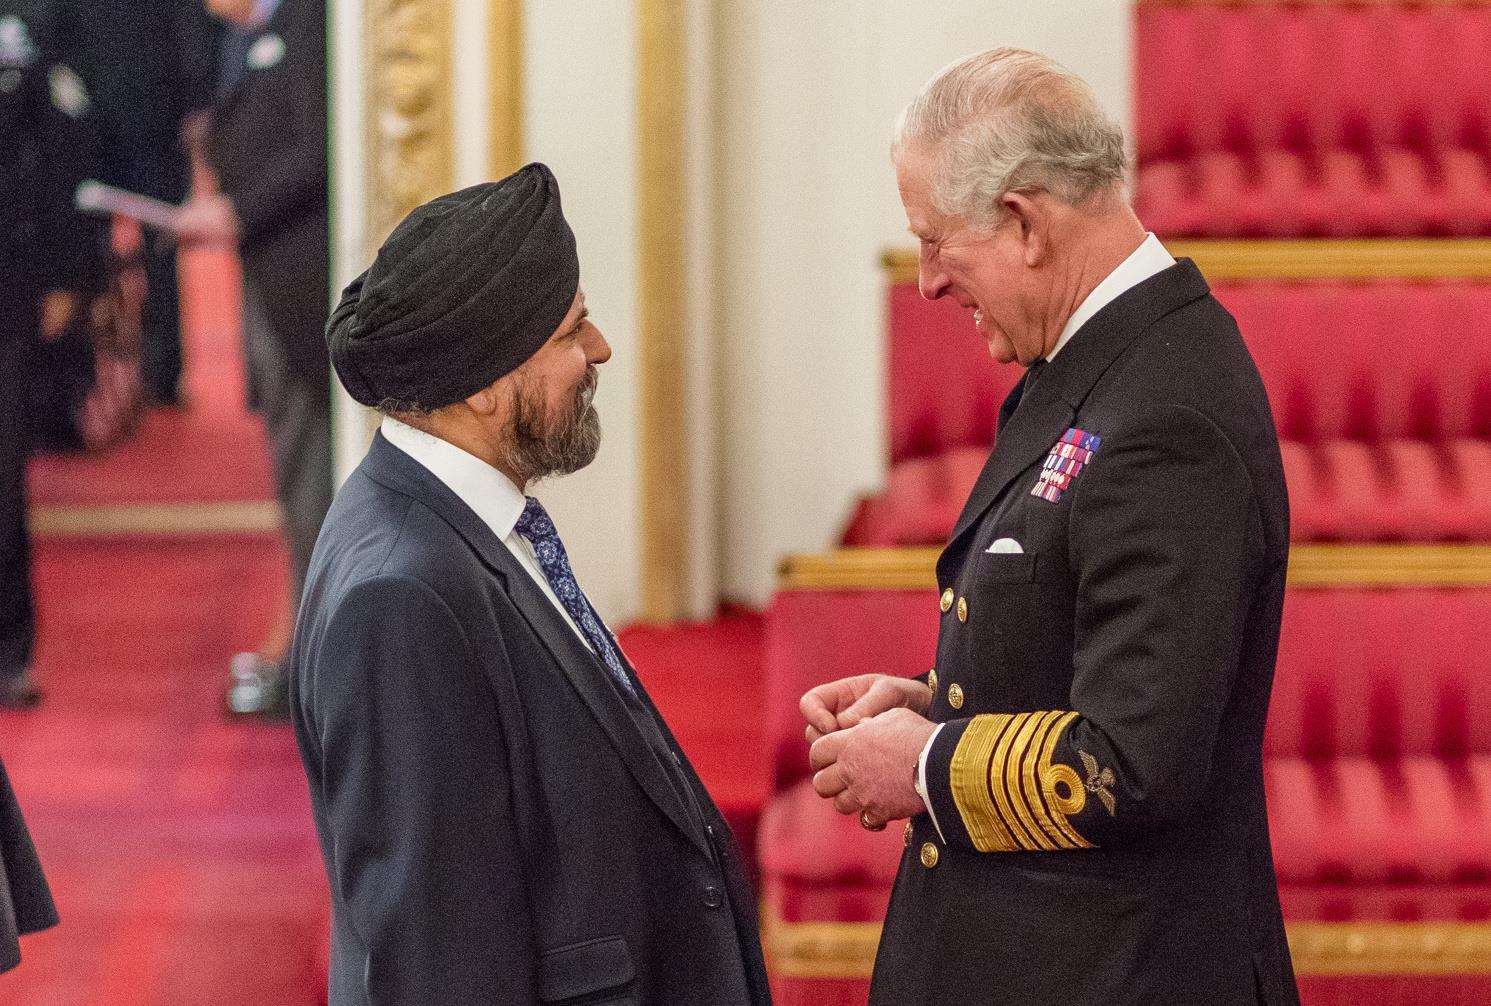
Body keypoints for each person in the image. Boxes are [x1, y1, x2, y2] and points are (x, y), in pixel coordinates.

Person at [801, 49, 1298, 1004]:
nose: (928, 284)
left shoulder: (1164, 414)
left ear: (1024, 222)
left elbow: (1135, 762)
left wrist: (926, 761)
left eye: (938, 242)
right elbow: (1086, 640)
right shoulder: (1099, 367)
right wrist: (930, 697)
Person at [291, 164, 771, 1004]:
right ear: (481, 385)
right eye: (570, 331)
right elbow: (439, 962)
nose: (600, 350)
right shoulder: (400, 598)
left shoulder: (457, 524)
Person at [177, 0, 331, 720]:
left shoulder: (308, 23)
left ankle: (314, 663)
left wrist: (237, 211)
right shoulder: (248, 36)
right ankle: (303, 647)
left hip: (301, 288)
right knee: (294, 470)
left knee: (311, 477)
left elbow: (319, 148)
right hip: (270, 282)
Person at [0, 0, 103, 709]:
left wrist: (67, 271)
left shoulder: (30, 20)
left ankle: (9, 650)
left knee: (3, 479)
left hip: (9, 278)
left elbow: (65, 147)